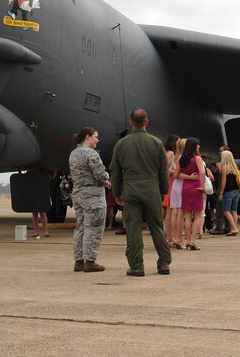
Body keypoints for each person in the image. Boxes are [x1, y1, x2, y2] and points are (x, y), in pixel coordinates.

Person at [110, 109, 172, 276]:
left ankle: (137, 265)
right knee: (157, 227)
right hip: (151, 189)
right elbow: (163, 170)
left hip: (130, 189)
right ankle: (164, 263)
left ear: (131, 123)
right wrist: (163, 190)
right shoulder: (156, 143)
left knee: (133, 228)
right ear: (146, 122)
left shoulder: (121, 144)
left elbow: (115, 171)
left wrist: (117, 191)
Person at [69, 127, 112, 272]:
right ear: (87, 137)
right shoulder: (91, 154)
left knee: (80, 227)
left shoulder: (73, 153)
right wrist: (107, 180)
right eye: (96, 137)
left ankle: (79, 261)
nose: (97, 140)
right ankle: (90, 261)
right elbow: (100, 174)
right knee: (93, 228)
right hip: (93, 196)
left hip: (78, 194)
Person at [179, 137, 207, 250]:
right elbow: (202, 172)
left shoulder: (182, 159)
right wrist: (203, 187)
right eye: (198, 145)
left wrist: (188, 177)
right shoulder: (197, 158)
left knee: (187, 215)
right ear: (194, 146)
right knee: (198, 215)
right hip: (196, 188)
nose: (199, 147)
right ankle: (192, 241)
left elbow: (178, 175)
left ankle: (187, 240)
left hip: (185, 188)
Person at [218, 150, 240, 236]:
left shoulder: (225, 166)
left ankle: (234, 228)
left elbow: (224, 180)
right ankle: (234, 228)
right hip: (236, 191)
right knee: (234, 210)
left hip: (228, 191)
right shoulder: (235, 167)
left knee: (226, 211)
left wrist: (221, 192)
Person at [162, 135, 180, 245]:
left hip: (170, 183)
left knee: (168, 212)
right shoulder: (171, 153)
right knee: (169, 212)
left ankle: (169, 237)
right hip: (170, 183)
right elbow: (164, 169)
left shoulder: (168, 153)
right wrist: (176, 172)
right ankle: (169, 238)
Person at [208, 145, 229, 235]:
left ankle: (219, 227)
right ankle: (228, 227)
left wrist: (220, 192)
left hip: (222, 189)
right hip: (228, 190)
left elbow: (223, 179)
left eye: (221, 151)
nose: (219, 153)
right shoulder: (231, 164)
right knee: (227, 209)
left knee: (219, 208)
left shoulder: (222, 165)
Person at [30, 167, 56, 239]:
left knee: (42, 213)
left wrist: (55, 170)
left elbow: (52, 177)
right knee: (35, 213)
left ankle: (45, 231)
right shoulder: (31, 172)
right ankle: (37, 231)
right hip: (35, 194)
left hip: (42, 194)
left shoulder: (44, 173)